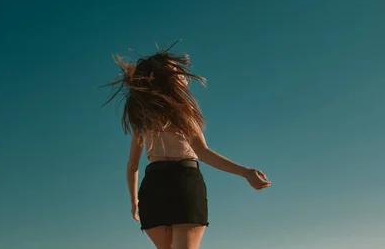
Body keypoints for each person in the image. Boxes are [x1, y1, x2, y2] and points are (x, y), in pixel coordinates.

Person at [103, 43, 271, 249]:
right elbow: (203, 152)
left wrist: (134, 201)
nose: (184, 75)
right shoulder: (182, 112)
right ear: (166, 78)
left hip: (153, 187)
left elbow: (132, 166)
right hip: (184, 183)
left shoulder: (143, 116)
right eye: (177, 71)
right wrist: (245, 172)